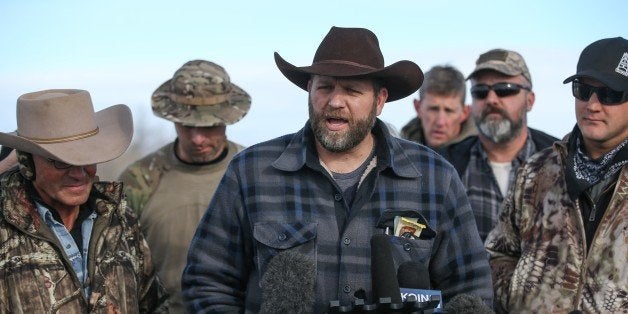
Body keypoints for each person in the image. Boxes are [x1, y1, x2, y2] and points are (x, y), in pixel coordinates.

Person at [181, 26, 493, 313]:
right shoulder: (251, 173)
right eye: (325, 87)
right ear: (309, 91)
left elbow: (470, 293)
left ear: (380, 100)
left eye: (352, 90)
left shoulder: (436, 179)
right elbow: (207, 282)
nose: (335, 101)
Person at [485, 37, 628, 313]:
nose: (592, 105)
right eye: (583, 90)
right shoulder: (535, 171)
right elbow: (498, 253)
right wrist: (518, 299)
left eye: (610, 94)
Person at [0, 89, 168, 312]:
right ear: (26, 161)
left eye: (88, 158)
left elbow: (154, 304)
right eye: (60, 162)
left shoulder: (119, 218)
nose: (79, 174)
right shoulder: (4, 227)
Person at [118, 59, 251, 313]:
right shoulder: (139, 179)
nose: (197, 138)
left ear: (227, 119)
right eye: (187, 126)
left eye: (209, 126)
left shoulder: (254, 174)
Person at [439, 48, 557, 242]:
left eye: (505, 89)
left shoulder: (562, 160)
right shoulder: (444, 166)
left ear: (530, 100)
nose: (491, 100)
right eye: (480, 92)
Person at [401, 65, 476, 148]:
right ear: (418, 107)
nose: (440, 122)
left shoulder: (483, 155)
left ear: (465, 113)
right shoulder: (396, 153)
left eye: (449, 111)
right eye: (433, 109)